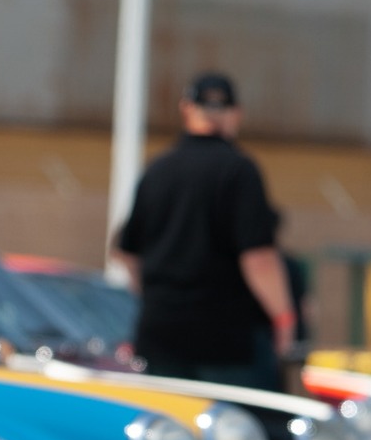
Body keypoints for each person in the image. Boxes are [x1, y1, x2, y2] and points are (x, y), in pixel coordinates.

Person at [114, 72, 295, 391]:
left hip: (162, 336)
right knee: (243, 432)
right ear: (236, 114)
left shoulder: (158, 170)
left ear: (186, 108)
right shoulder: (239, 171)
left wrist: (161, 298)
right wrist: (283, 318)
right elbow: (258, 259)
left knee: (172, 434)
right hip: (226, 342)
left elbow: (127, 252)